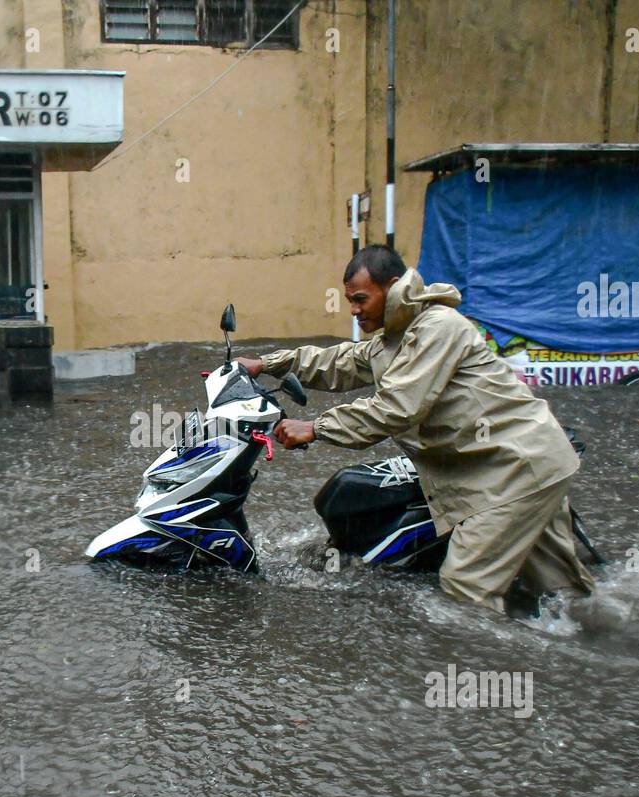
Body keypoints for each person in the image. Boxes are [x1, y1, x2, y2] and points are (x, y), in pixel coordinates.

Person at [236, 245, 595, 613]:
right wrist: (265, 363)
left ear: (393, 287)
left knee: (465, 593)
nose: (354, 310)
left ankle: (481, 665)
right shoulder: (393, 338)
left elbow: (397, 407)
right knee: (562, 596)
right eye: (349, 301)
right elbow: (338, 361)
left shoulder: (439, 328)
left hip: (513, 472)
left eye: (361, 299)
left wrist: (316, 427)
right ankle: (609, 641)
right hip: (524, 465)